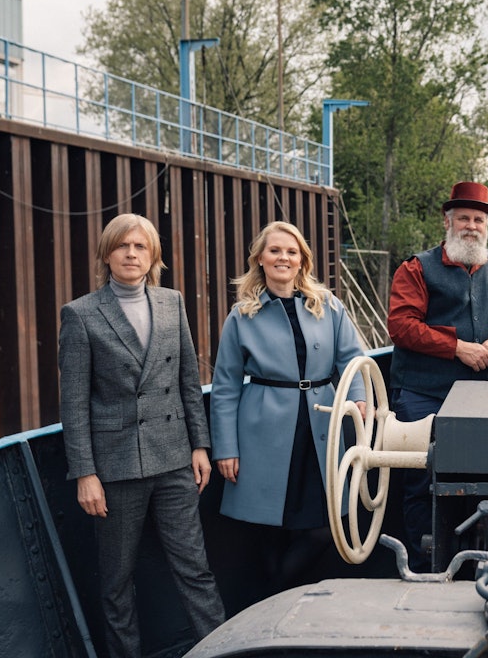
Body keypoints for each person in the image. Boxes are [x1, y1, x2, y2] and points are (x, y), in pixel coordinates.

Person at [59, 213, 224, 658]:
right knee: (117, 582)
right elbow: (73, 404)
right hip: (115, 468)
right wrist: (85, 474)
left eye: (140, 247)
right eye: (122, 246)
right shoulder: (80, 314)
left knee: (195, 569)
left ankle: (221, 650)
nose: (131, 254)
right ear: (107, 254)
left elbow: (188, 380)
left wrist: (200, 445)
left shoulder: (172, 302)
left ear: (153, 256)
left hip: (174, 460)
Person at [209, 221, 365, 600]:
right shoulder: (241, 315)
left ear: (302, 261)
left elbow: (352, 358)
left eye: (292, 252)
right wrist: (225, 448)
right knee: (269, 530)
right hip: (263, 431)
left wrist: (358, 398)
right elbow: (225, 386)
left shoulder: (329, 306)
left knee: (324, 528)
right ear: (260, 259)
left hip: (321, 426)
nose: (284, 257)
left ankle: (274, 595)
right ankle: (276, 606)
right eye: (275, 250)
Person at [388, 181, 488, 571]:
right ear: (447, 222)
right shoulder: (416, 268)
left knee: (487, 477)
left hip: (479, 395)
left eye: (478, 220)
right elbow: (401, 326)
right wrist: (457, 348)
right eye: (463, 218)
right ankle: (422, 567)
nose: (471, 226)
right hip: (422, 392)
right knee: (422, 482)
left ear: (487, 226)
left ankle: (478, 564)